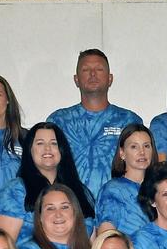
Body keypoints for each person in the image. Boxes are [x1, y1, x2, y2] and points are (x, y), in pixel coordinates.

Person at [49, 49, 145, 197]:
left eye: (99, 69)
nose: (93, 74)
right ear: (76, 79)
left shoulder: (129, 120)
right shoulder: (59, 121)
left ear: (110, 78)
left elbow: (143, 169)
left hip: (120, 207)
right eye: (86, 69)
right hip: (71, 211)